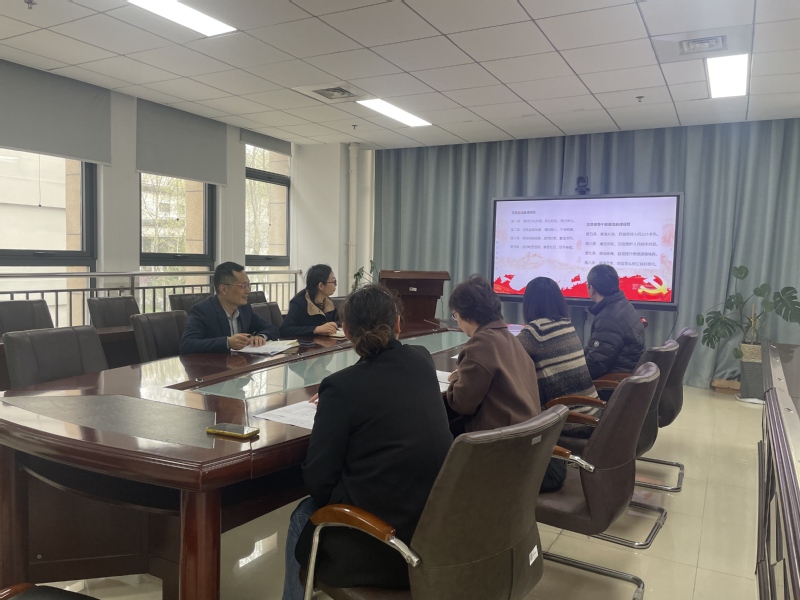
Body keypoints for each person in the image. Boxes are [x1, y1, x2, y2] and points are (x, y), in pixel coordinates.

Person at [283, 285, 453, 600]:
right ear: (398, 323)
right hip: (435, 532)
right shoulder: (421, 359)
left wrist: (336, 402)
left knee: (304, 513)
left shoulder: (340, 387)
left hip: (386, 546)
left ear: (346, 332)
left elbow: (319, 484)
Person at [445, 274, 565, 492]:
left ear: (466, 314)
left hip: (504, 452)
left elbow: (461, 404)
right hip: (528, 444)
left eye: (455, 316)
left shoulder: (480, 344)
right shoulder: (511, 338)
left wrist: (455, 378)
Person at [517, 277, 599, 437]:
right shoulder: (566, 324)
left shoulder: (536, 332)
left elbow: (507, 356)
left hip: (570, 421)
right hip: (591, 412)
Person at [179, 261, 279, 354]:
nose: (248, 291)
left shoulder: (244, 308)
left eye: (249, 285)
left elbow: (271, 328)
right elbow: (187, 345)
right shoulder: (203, 311)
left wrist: (261, 336)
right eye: (243, 286)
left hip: (241, 363)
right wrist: (227, 342)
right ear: (224, 289)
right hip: (215, 365)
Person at [584, 264, 646, 379]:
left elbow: (596, 366)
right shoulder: (623, 304)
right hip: (625, 375)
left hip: (611, 382)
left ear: (592, 289)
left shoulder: (608, 318)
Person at [279, 264, 339, 337]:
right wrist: (316, 329)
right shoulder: (299, 304)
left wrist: (335, 325)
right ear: (321, 286)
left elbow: (339, 321)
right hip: (306, 343)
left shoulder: (328, 302)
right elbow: (284, 330)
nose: (335, 285)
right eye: (334, 282)